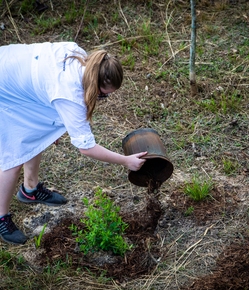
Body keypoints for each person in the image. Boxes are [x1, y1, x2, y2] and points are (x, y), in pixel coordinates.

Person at [0, 42, 147, 245]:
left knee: (36, 133)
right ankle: (2, 217)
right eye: (103, 95)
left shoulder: (79, 54)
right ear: (95, 83)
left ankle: (30, 190)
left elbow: (48, 88)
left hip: (15, 71)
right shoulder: (69, 94)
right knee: (13, 157)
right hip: (4, 87)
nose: (103, 98)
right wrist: (125, 161)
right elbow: (86, 148)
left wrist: (52, 128)